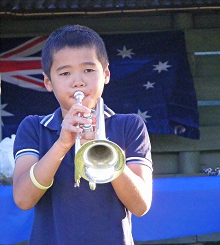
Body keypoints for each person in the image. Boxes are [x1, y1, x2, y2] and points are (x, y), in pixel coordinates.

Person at [13, 25, 153, 245]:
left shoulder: (129, 126)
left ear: (106, 74)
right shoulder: (33, 128)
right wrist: (62, 144)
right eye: (65, 73)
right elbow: (23, 199)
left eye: (88, 70)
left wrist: (103, 147)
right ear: (48, 82)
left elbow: (141, 205)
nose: (78, 81)